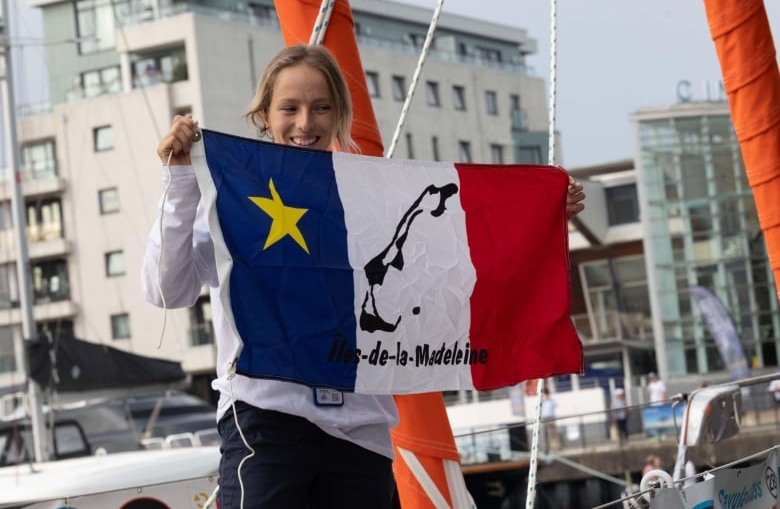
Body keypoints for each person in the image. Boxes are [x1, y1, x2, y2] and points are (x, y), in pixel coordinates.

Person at [142, 44, 587, 508]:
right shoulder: (229, 200)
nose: (305, 122)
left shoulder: (375, 201)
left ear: (340, 115)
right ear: (264, 117)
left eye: (321, 107)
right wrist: (178, 183)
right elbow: (165, 289)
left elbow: (457, 262)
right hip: (265, 417)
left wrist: (542, 216)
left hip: (362, 431)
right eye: (289, 108)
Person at [540, 387, 559, 452]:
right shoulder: (543, 401)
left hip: (551, 418)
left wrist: (549, 399)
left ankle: (555, 448)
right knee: (545, 434)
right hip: (545, 419)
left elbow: (555, 405)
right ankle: (546, 449)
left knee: (553, 433)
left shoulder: (552, 400)